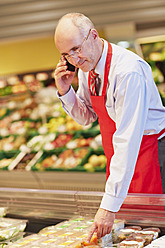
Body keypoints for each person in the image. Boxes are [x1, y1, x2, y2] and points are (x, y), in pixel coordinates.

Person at [54, 12, 165, 242]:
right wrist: (66, 91)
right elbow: (87, 117)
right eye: (66, 54)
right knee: (135, 232)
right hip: (121, 155)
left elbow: (127, 138)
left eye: (76, 49)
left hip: (152, 154)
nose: (74, 60)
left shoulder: (128, 71)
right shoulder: (88, 67)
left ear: (93, 35)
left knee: (155, 230)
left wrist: (108, 206)